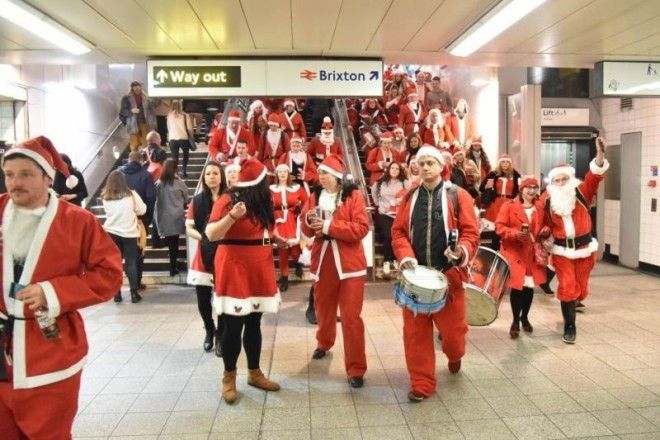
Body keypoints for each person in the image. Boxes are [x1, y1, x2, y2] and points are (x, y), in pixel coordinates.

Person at [0, 135, 122, 438]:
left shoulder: (78, 221)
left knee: (49, 432)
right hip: (2, 350)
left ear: (47, 177)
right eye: (9, 175)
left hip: (50, 348)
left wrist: (52, 292)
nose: (15, 183)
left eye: (25, 174)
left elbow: (109, 274)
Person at [391, 146, 480, 402]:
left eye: (431, 162)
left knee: (453, 335)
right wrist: (406, 256)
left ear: (442, 166)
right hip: (416, 280)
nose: (426, 167)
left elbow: (471, 232)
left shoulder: (458, 195)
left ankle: (455, 355)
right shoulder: (409, 197)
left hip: (449, 276)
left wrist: (461, 251)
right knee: (415, 334)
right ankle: (421, 383)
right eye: (422, 163)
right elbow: (398, 232)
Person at [205, 158, 281, 404]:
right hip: (234, 267)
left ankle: (254, 372)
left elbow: (266, 231)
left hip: (258, 267)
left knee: (254, 323)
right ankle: (229, 377)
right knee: (233, 326)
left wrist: (279, 240)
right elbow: (211, 234)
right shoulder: (228, 200)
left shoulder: (263, 203)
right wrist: (231, 218)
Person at [300, 155, 369, 389]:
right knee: (323, 308)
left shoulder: (354, 196)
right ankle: (324, 342)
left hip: (350, 264)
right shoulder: (313, 197)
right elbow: (306, 230)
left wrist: (330, 226)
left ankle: (356, 368)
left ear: (337, 176)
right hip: (323, 261)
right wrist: (308, 221)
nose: (321, 177)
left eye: (325, 173)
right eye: (319, 173)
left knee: (351, 317)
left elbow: (361, 228)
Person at [540, 137, 609, 344]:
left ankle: (574, 304)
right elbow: (541, 222)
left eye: (564, 179)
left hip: (585, 249)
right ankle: (570, 326)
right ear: (552, 183)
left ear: (571, 179)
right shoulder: (548, 200)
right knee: (568, 287)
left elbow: (594, 175)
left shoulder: (582, 193)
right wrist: (543, 234)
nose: (560, 183)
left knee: (581, 289)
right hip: (562, 252)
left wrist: (600, 154)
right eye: (556, 180)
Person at [495, 177, 546, 339]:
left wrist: (546, 230)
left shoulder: (540, 207)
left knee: (529, 288)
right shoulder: (509, 206)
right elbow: (499, 227)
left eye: (535, 187)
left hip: (531, 253)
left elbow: (547, 225)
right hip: (514, 251)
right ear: (521, 189)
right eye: (528, 187)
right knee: (517, 288)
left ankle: (525, 318)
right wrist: (515, 234)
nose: (531, 191)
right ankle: (515, 320)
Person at [186, 161, 226, 356]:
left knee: (222, 297)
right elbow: (188, 227)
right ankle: (209, 329)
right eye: (208, 173)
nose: (212, 176)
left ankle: (221, 334)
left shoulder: (229, 199)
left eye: (215, 173)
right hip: (203, 253)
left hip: (226, 253)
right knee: (203, 298)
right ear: (204, 177)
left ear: (221, 176)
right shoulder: (197, 200)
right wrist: (204, 237)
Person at [102, 170, 147, 303]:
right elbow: (142, 209)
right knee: (131, 263)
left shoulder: (105, 197)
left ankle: (117, 294)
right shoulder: (131, 194)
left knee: (116, 264)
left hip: (112, 233)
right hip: (129, 233)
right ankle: (134, 293)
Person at [119, 151, 156, 289]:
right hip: (140, 220)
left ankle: (120, 286)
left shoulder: (118, 175)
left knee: (124, 254)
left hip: (120, 220)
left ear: (128, 159)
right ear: (141, 161)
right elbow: (151, 198)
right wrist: (148, 219)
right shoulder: (146, 175)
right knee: (139, 251)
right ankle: (136, 283)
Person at [270, 164, 309, 291]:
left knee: (294, 248)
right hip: (278, 220)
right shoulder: (271, 189)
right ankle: (284, 277)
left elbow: (307, 202)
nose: (282, 174)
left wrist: (302, 213)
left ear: (288, 174)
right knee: (282, 249)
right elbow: (265, 203)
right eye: (280, 172)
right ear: (277, 174)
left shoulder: (297, 188)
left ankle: (298, 262)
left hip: (293, 219)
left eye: (284, 172)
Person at [371, 161, 410, 276]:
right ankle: (387, 261)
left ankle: (396, 260)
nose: (394, 170)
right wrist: (378, 204)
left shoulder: (405, 183)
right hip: (384, 214)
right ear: (388, 169)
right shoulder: (380, 182)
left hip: (399, 215)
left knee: (398, 238)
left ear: (400, 171)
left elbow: (410, 195)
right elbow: (374, 192)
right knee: (388, 236)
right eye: (392, 168)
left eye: (397, 168)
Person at [155, 159, 189, 276]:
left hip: (163, 218)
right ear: (175, 169)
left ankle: (172, 265)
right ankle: (172, 268)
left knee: (170, 243)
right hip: (176, 217)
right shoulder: (180, 183)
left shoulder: (159, 183)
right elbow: (186, 198)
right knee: (175, 244)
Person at [119, 81, 156, 152]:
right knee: (134, 143)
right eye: (135, 88)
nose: (138, 89)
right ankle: (134, 157)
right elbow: (122, 111)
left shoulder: (146, 97)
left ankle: (145, 157)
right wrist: (131, 110)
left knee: (146, 142)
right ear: (132, 88)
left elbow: (152, 109)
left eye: (139, 87)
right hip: (133, 123)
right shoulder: (126, 98)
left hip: (145, 122)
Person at [167, 99, 195, 178]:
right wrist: (192, 136)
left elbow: (168, 128)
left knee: (174, 157)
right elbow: (189, 128)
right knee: (185, 155)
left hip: (172, 138)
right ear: (181, 106)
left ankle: (175, 173)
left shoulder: (169, 116)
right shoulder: (185, 115)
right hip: (183, 138)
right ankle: (184, 171)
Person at [258, 114, 290, 180]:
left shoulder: (283, 135)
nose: (272, 127)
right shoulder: (264, 135)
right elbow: (261, 151)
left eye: (274, 125)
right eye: (270, 125)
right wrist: (259, 165)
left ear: (277, 125)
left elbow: (288, 153)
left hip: (280, 164)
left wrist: (287, 166)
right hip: (267, 164)